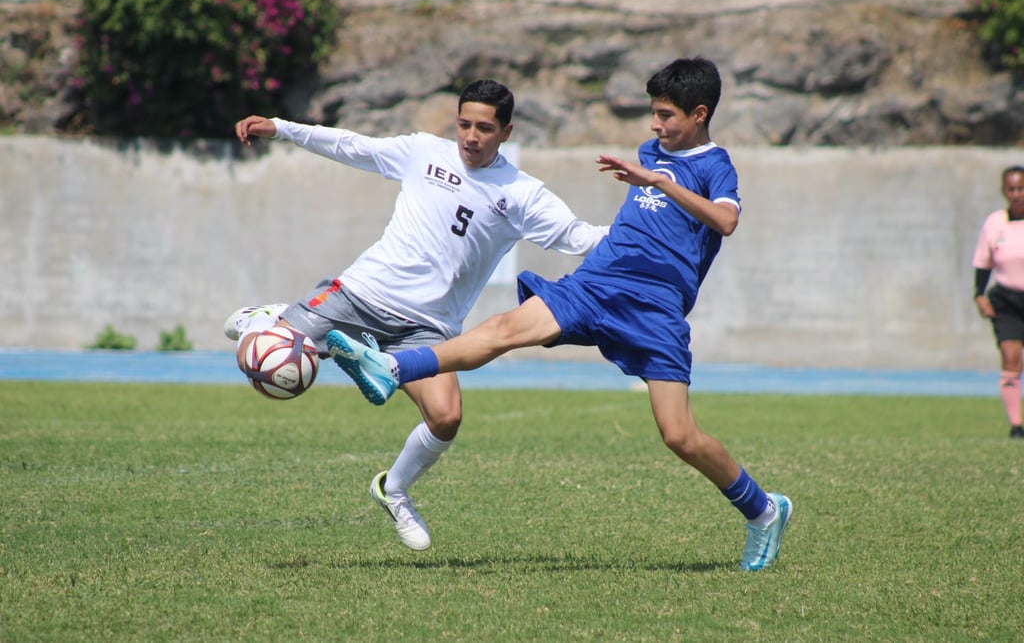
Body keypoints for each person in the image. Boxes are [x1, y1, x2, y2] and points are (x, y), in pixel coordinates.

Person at [326, 57, 793, 571]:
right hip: (601, 279)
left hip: (656, 305)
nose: (655, 125)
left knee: (679, 435)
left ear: (700, 114)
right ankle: (393, 367)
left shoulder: (713, 164)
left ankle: (764, 511)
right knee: (507, 328)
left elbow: (725, 221)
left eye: (665, 115)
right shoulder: (650, 151)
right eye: (653, 114)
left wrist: (658, 183)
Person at [225, 79, 609, 550]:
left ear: (506, 131)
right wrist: (282, 128)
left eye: (484, 128)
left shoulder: (524, 195)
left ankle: (394, 490)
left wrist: (657, 230)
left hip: (429, 327)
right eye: (464, 124)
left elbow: (581, 238)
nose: (470, 136)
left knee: (446, 417)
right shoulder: (424, 152)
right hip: (361, 296)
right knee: (265, 363)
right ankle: (267, 319)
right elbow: (352, 146)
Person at [973, 165, 1024, 439]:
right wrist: (979, 295)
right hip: (1006, 299)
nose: (1016, 194)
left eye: (1021, 188)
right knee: (1011, 358)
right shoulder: (995, 223)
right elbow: (983, 263)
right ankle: (1016, 426)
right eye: (1011, 189)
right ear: (1004, 191)